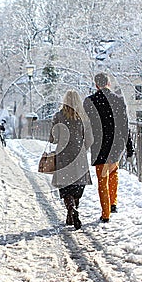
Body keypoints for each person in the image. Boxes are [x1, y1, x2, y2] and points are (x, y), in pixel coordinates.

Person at [83, 73, 129, 223]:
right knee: (113, 172)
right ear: (109, 83)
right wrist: (129, 146)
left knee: (102, 179)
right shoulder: (119, 100)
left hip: (99, 145)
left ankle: (106, 213)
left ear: (96, 85)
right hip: (116, 145)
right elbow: (124, 125)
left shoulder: (89, 102)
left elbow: (86, 126)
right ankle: (113, 203)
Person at [49, 89, 93, 230]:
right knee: (77, 185)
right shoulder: (84, 117)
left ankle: (70, 210)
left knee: (66, 186)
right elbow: (90, 139)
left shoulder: (58, 116)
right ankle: (74, 209)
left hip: (63, 155)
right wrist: (82, 148)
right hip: (79, 155)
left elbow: (53, 139)